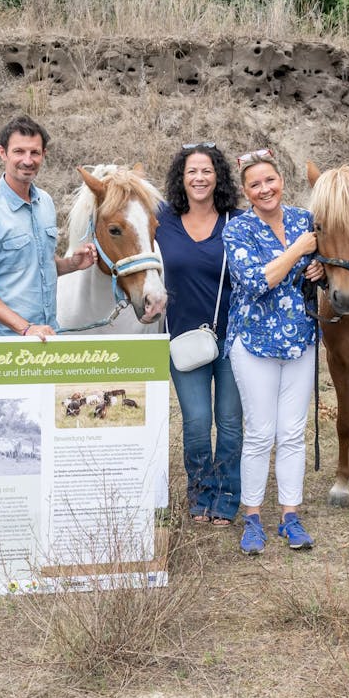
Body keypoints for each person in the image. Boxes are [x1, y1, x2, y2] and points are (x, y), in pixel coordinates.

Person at [223, 148, 325, 554]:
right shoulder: (239, 230)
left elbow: (316, 268)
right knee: (260, 433)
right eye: (255, 184)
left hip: (300, 340)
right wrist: (299, 252)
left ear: (282, 180)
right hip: (253, 342)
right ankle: (251, 517)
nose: (265, 189)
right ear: (246, 192)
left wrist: (315, 268)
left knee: (292, 433)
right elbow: (254, 282)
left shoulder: (304, 220)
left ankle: (290, 515)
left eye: (270, 180)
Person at [154, 142, 244, 527]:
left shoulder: (237, 221)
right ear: (181, 177)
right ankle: (199, 493)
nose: (200, 178)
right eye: (192, 171)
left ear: (218, 176)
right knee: (195, 421)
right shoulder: (161, 221)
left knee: (228, 422)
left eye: (207, 170)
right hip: (184, 339)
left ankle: (226, 498)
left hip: (233, 339)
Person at [0, 115, 95, 339]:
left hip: (47, 337)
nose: (27, 160)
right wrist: (25, 328)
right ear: (3, 153)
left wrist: (71, 264)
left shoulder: (45, 203)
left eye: (34, 152)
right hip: (2, 346)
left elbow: (37, 264)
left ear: (44, 155)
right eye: (19, 151)